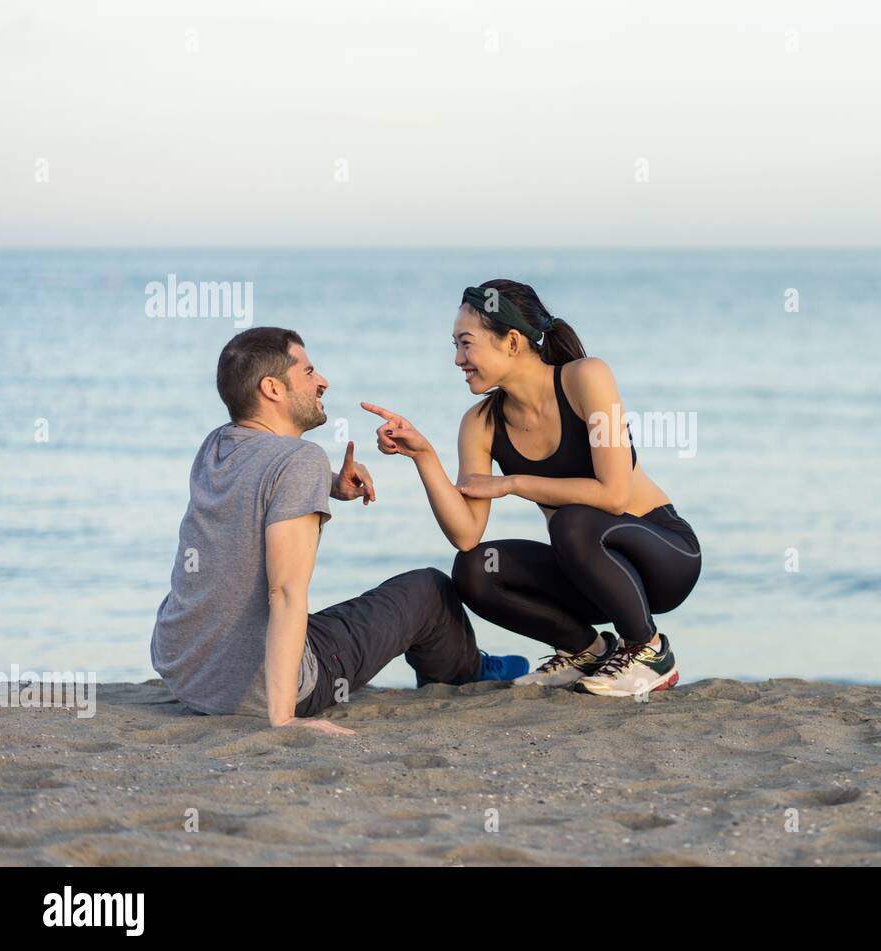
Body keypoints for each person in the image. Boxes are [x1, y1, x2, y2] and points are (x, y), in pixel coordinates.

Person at [150, 327, 527, 736]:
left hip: (185, 671)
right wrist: (284, 718)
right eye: (309, 371)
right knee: (430, 592)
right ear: (273, 388)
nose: (323, 381)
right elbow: (285, 592)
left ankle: (459, 664)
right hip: (263, 690)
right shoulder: (301, 459)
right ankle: (469, 670)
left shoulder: (217, 444)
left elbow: (252, 487)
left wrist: (331, 483)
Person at [361, 280, 700, 697]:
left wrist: (512, 483)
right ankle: (586, 651)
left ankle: (649, 651)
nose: (457, 359)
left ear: (513, 341)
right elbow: (467, 533)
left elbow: (614, 494)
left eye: (466, 344)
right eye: (455, 346)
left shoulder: (587, 378)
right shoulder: (480, 422)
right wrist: (424, 457)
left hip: (663, 557)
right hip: (588, 572)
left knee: (572, 521)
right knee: (474, 569)